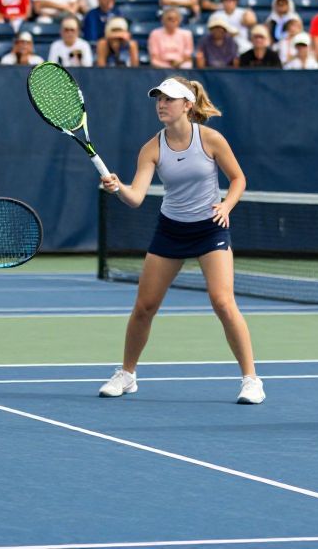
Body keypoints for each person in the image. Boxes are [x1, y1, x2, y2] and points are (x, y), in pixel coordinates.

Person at [98, 77, 263, 404]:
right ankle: (127, 374)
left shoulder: (211, 139)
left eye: (169, 99)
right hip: (170, 230)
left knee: (223, 302)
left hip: (210, 228)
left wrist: (227, 204)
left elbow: (238, 178)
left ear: (187, 105)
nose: (161, 104)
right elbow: (136, 197)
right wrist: (118, 188)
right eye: (158, 99)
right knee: (144, 308)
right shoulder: (151, 148)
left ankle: (251, 380)